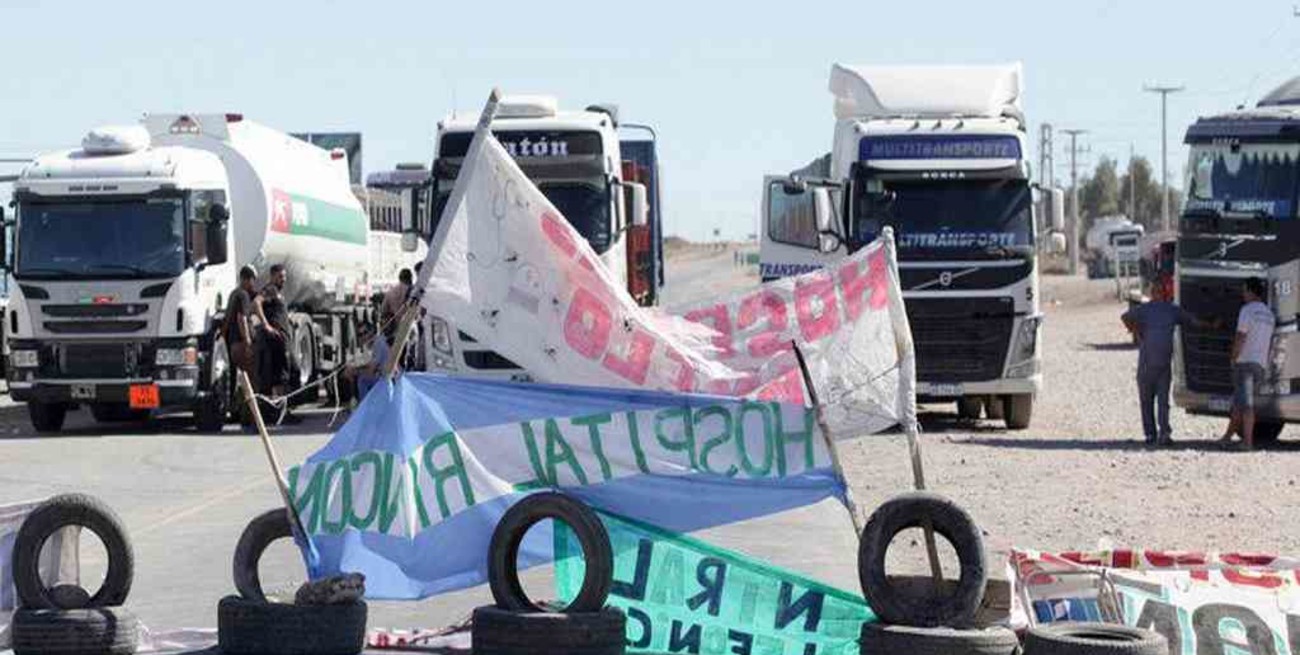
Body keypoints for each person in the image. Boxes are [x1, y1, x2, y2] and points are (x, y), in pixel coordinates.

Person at [1121, 284, 1212, 445]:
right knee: (1149, 401)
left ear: (1162, 293)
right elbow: (1125, 317)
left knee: (1160, 402)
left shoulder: (1171, 310)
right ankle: (1152, 434)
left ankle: (1162, 433)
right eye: (1155, 291)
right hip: (1149, 364)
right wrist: (1135, 330)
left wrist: (1135, 330)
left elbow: (1192, 321)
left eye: (1159, 291)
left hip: (1160, 365)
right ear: (1153, 293)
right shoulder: (1147, 309)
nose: (1157, 294)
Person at [1221, 277, 1275, 450]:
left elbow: (1241, 336)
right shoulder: (1269, 314)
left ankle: (1248, 443)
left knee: (1247, 405)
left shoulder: (1247, 310)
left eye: (1245, 290)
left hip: (1245, 363)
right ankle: (1227, 438)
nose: (1243, 294)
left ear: (1251, 292)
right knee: (1239, 403)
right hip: (1260, 364)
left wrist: (1233, 357)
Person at [254, 264, 293, 403]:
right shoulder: (270, 289)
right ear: (272, 276)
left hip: (282, 338)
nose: (283, 279)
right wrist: (266, 325)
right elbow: (257, 302)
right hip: (275, 339)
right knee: (278, 376)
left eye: (284, 276)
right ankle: (278, 409)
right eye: (280, 276)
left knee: (284, 374)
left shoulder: (278, 292)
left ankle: (281, 408)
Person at [224, 266, 257, 376]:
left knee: (243, 376)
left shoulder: (234, 293)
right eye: (253, 280)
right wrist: (247, 341)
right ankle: (252, 394)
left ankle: (246, 393)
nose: (253, 284)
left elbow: (227, 319)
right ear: (247, 279)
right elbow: (241, 318)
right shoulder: (244, 295)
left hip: (233, 342)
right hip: (241, 343)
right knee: (251, 375)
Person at [380, 268, 413, 332]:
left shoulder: (390, 292)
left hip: (395, 329)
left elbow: (383, 311)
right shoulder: (413, 292)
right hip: (410, 328)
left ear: (399, 278)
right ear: (410, 278)